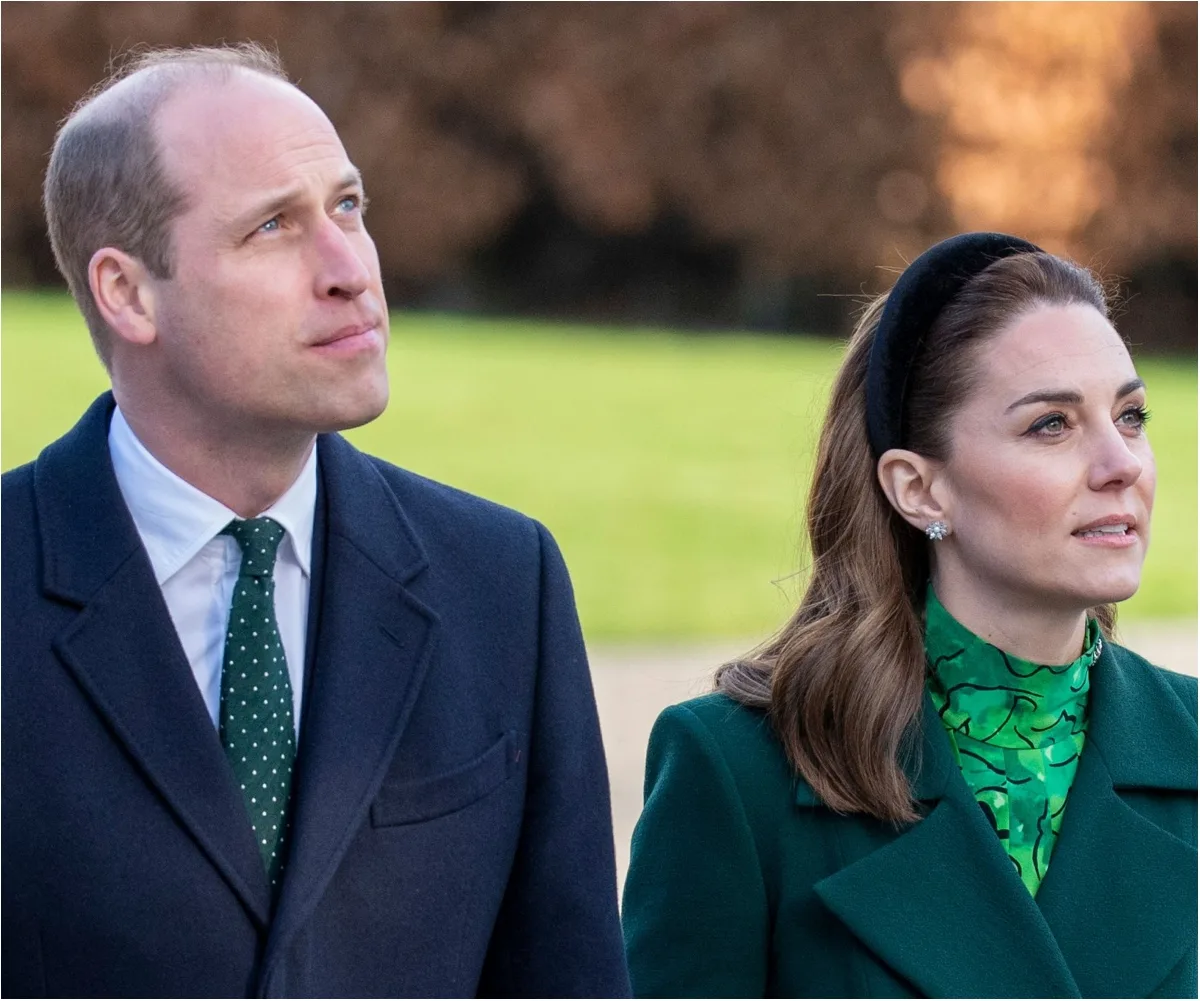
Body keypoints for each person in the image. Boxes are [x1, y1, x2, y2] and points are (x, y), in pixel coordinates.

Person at [1, 44, 629, 998]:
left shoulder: (504, 580)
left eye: (347, 207)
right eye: (272, 227)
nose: (349, 270)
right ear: (127, 292)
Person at [622, 232, 1197, 998]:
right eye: (1051, 424)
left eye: (1130, 416)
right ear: (920, 489)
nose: (1122, 464)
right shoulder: (740, 772)